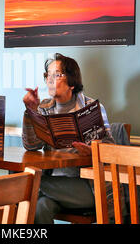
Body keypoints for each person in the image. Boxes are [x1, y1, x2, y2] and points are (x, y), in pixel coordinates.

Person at [22, 53, 115, 224]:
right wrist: (31, 111)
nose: (50, 80)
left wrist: (92, 150)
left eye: (56, 75)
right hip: (54, 184)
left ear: (72, 82)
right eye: (47, 75)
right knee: (40, 207)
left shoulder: (91, 107)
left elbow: (110, 147)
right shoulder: (44, 107)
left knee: (26, 182)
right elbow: (32, 146)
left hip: (87, 186)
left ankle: (16, 187)